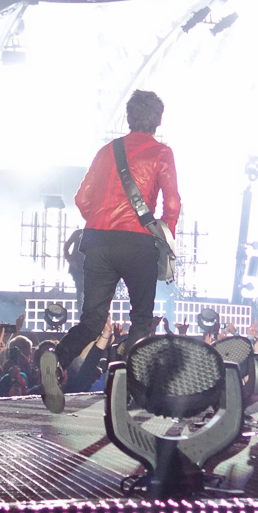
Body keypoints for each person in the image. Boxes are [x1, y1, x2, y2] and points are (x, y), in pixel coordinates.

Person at [40, 89, 180, 414]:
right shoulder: (161, 153)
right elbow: (172, 204)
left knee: (92, 320)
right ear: (158, 121)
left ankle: (57, 359)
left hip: (98, 241)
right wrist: (165, 236)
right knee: (141, 320)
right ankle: (128, 388)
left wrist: (101, 222)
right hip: (138, 243)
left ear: (128, 117)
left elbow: (81, 199)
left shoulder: (107, 151)